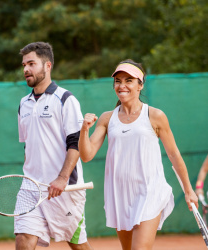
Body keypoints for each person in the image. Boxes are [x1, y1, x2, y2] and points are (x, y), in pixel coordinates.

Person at [78, 59, 198, 250]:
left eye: (129, 80)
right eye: (118, 81)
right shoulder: (107, 118)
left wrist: (189, 191)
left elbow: (174, 155)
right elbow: (86, 155)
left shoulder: (155, 116)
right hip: (119, 194)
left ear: (140, 85)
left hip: (149, 192)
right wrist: (84, 130)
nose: (122, 85)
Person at [16, 42, 92, 250]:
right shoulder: (24, 103)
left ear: (47, 65)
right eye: (24, 65)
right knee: (23, 240)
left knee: (78, 244)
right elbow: (28, 146)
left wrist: (61, 178)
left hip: (64, 189)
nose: (25, 69)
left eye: (31, 64)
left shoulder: (66, 99)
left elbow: (74, 143)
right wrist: (30, 175)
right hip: (30, 187)